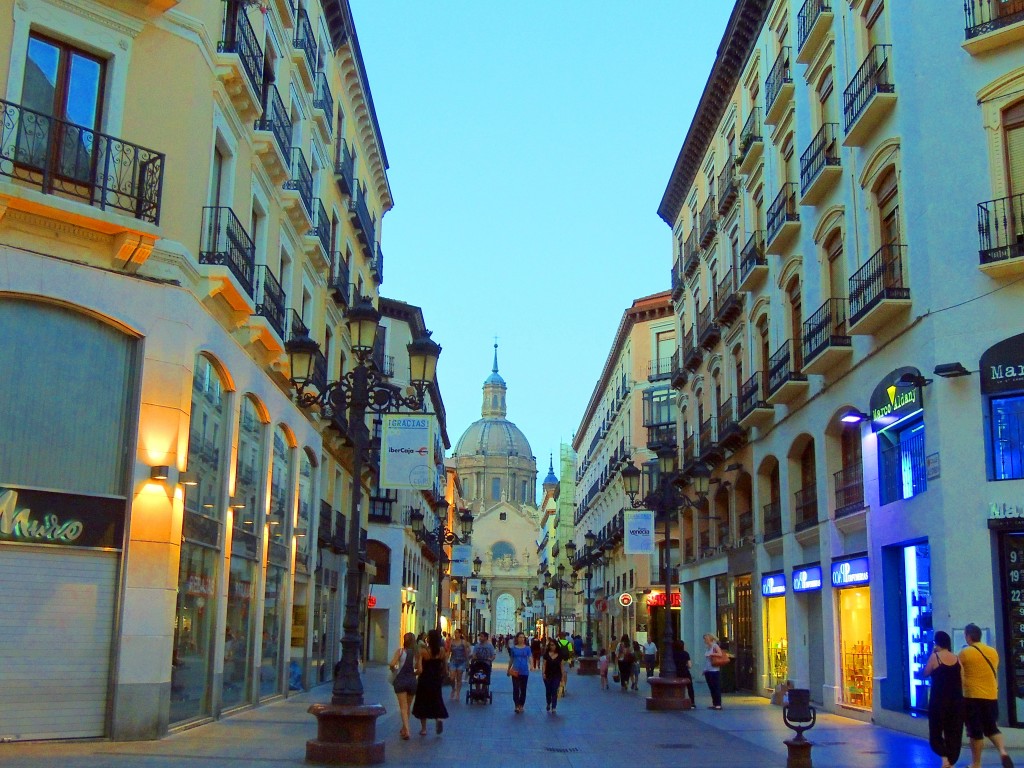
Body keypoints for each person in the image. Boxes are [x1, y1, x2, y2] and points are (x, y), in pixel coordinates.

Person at [958, 623, 1014, 768]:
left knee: (975, 732)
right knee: (991, 728)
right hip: (991, 696)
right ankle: (1002, 751)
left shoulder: (965, 653)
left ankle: (976, 763)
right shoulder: (992, 652)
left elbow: (959, 672)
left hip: (972, 697)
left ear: (968, 636)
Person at [923, 630, 963, 768]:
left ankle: (945, 757)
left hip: (939, 700)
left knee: (936, 731)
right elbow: (962, 678)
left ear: (937, 643)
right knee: (953, 731)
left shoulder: (935, 657)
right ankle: (950, 760)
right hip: (955, 700)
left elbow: (925, 672)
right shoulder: (957, 658)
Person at [412, 628, 449, 736]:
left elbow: (420, 669)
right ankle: (438, 719)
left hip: (424, 679)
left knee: (422, 702)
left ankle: (424, 729)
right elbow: (445, 668)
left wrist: (414, 673)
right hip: (436, 679)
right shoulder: (442, 651)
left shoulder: (423, 651)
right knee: (436, 700)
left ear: (429, 639)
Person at [389, 632, 419, 740]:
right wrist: (412, 674)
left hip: (401, 681)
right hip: (412, 681)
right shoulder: (417, 654)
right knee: (408, 707)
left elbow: (392, 664)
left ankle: (407, 730)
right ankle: (403, 728)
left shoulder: (400, 651)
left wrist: (394, 670)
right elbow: (419, 670)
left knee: (403, 707)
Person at [507, 631, 532, 713]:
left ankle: (521, 705)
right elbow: (511, 659)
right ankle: (516, 705)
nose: (522, 639)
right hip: (515, 670)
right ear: (517, 638)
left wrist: (531, 665)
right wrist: (508, 669)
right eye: (520, 637)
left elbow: (530, 657)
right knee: (516, 688)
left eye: (523, 637)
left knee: (523, 689)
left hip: (524, 671)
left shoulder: (527, 648)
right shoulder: (513, 649)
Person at [448, 628, 471, 701]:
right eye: (455, 633)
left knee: (459, 678)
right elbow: (449, 651)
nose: (456, 634)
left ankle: (458, 692)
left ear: (460, 634)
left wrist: (467, 661)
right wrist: (446, 659)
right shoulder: (452, 641)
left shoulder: (463, 642)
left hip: (461, 661)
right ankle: (453, 689)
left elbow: (466, 652)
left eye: (457, 633)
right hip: (453, 661)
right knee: (451, 677)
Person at [703, 633, 724, 709]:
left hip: (714, 670)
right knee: (711, 687)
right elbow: (707, 661)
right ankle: (714, 703)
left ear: (709, 639)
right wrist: (704, 670)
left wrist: (711, 654)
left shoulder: (715, 646)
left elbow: (720, 654)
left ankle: (718, 704)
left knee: (716, 687)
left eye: (705, 639)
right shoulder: (707, 647)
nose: (704, 640)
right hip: (708, 670)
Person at [542, 638, 564, 712]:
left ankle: (554, 707)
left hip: (557, 675)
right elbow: (544, 664)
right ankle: (548, 703)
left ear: (556, 646)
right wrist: (543, 673)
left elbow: (561, 666)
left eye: (553, 645)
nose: (552, 647)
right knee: (548, 691)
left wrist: (562, 677)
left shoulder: (559, 655)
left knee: (554, 690)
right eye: (550, 645)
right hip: (548, 675)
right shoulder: (546, 654)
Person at [558, 631, 573, 696]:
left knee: (559, 674)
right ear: (565, 636)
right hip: (566, 660)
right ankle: (564, 687)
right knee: (565, 673)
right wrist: (570, 660)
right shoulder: (568, 643)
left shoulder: (557, 643)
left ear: (560, 636)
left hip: (558, 661)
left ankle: (560, 687)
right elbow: (571, 652)